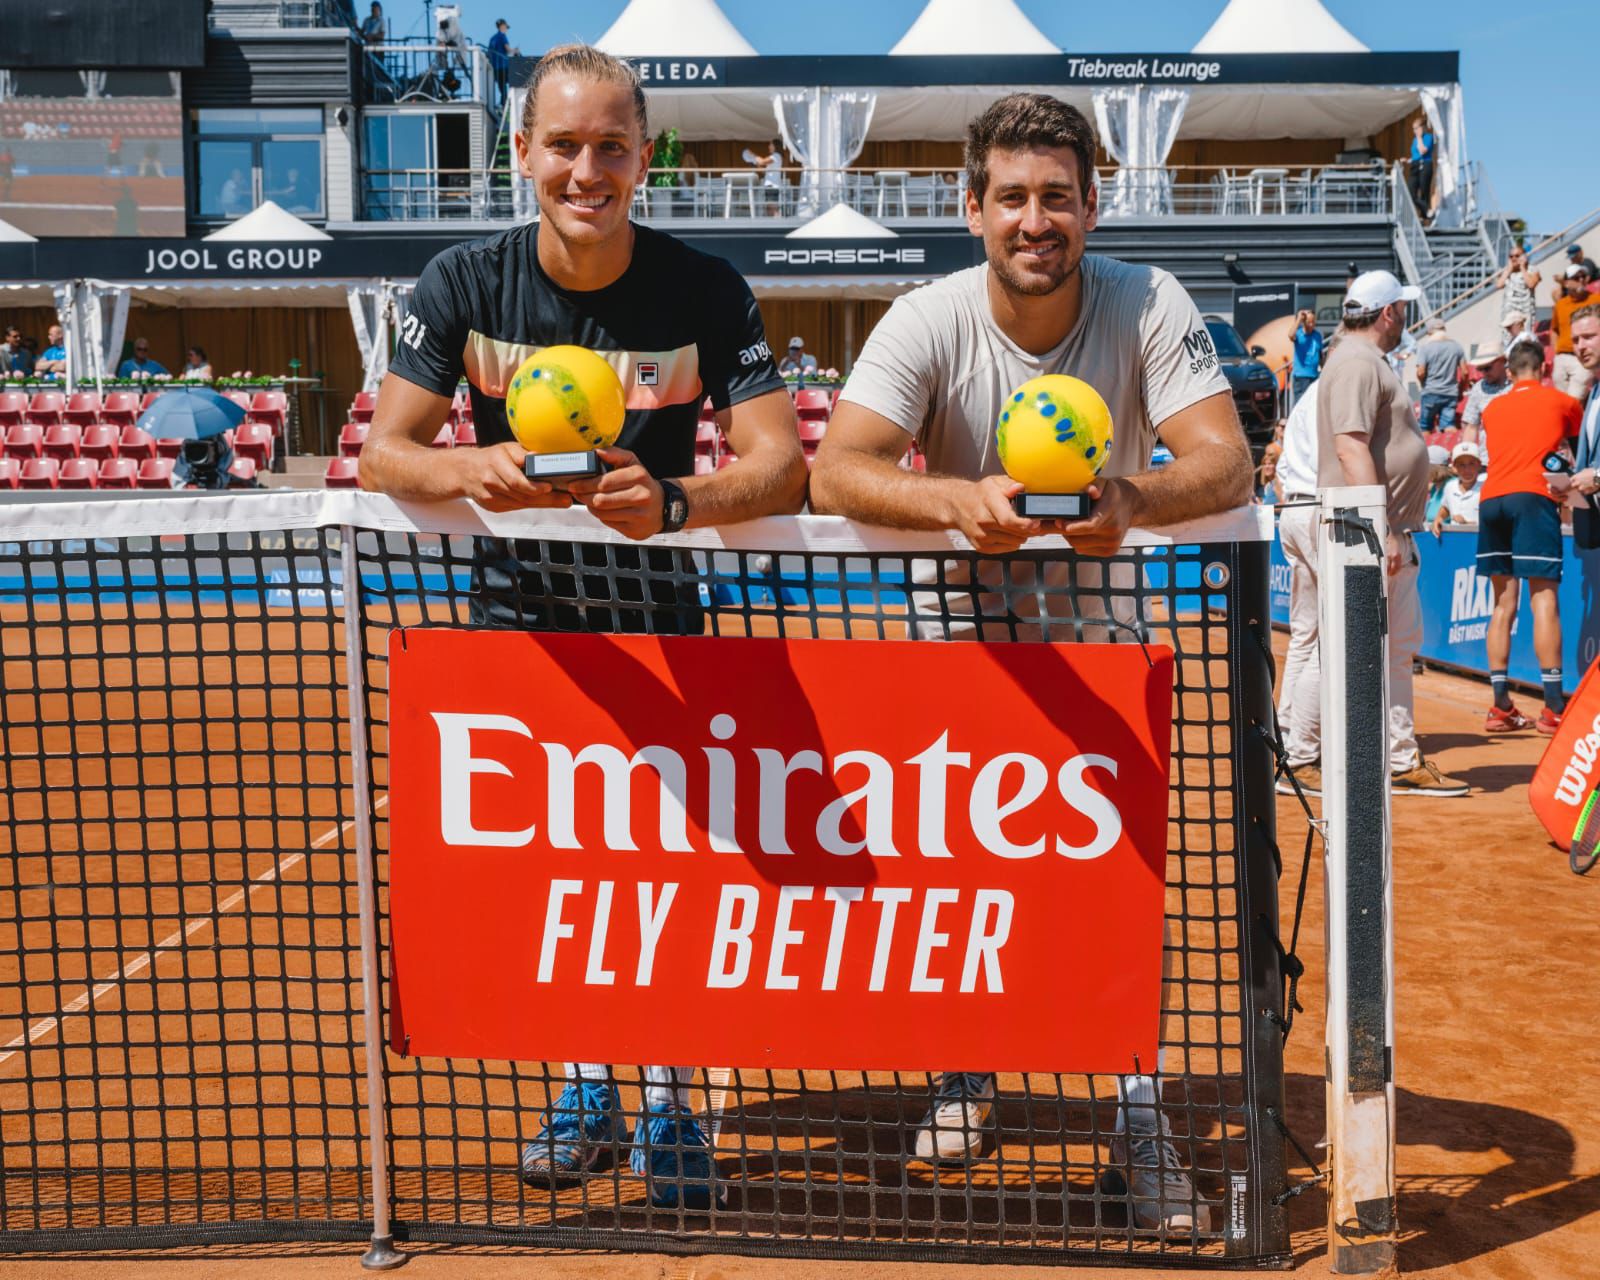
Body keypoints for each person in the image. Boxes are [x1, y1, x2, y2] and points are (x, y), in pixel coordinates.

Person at [357, 43, 805, 1211]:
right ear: (523, 153)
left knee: (668, 874)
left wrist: (676, 504)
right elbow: (382, 451)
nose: (587, 169)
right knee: (558, 877)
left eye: (612, 145)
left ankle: (667, 1100)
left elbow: (780, 468)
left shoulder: (706, 288)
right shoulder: (462, 281)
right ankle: (584, 1083)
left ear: (644, 157)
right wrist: (475, 464)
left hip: (663, 623)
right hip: (519, 631)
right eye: (565, 144)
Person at [809, 92, 1253, 1234]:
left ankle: (1135, 1108)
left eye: (1058, 195)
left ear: (1093, 205)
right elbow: (837, 471)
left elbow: (1226, 462)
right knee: (954, 877)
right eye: (1012, 197)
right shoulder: (924, 314)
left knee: (1117, 888)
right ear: (973, 209)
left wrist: (1130, 498)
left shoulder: (1148, 298)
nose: (1035, 219)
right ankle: (965, 1071)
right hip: (957, 651)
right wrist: (957, 500)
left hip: (1099, 648)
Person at [1317, 269, 1466, 795]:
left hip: (1384, 532)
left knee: (1395, 648)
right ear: (1388, 314)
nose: (1405, 317)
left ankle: (1397, 757)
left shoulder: (1364, 361)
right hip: (1371, 534)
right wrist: (1379, 532)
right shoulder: (1358, 362)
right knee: (1369, 652)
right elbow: (1351, 445)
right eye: (1401, 308)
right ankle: (1369, 763)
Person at [1476, 340, 1583, 733]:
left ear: (1509, 372)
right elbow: (1574, 442)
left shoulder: (1491, 407)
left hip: (1491, 499)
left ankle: (1500, 705)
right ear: (1543, 368)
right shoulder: (1562, 401)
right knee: (1544, 601)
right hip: (1533, 497)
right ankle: (1553, 706)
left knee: (1502, 605)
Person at [1275, 374, 1325, 796]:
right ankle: (1302, 753)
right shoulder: (1342, 389)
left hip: (1293, 509)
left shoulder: (1307, 396)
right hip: (1319, 511)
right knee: (1330, 637)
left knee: (1305, 634)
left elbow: (1280, 472)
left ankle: (1288, 731)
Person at [1557, 307, 1600, 551]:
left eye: (1589, 336)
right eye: (1575, 340)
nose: (1580, 346)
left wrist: (1596, 478)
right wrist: (1571, 485)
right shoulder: (1593, 393)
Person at [1414, 316, 1465, 434]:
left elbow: (1420, 372)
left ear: (1430, 332)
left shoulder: (1426, 348)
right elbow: (1465, 372)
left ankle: (1426, 451)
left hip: (1430, 391)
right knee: (1449, 426)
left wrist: (1423, 383)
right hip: (1450, 393)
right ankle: (1450, 448)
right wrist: (1461, 388)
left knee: (1425, 428)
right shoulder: (1456, 346)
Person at [1553, 267, 1597, 400]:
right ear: (1566, 283)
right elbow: (1554, 330)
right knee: (1563, 400)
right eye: (1577, 278)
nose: (1582, 280)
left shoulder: (1596, 300)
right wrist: (1556, 352)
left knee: (1574, 399)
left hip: (1585, 358)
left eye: (1584, 276)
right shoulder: (1560, 305)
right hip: (1562, 357)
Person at [1459, 343, 1509, 448]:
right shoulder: (1478, 388)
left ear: (1502, 361)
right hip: (1488, 457)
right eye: (1480, 369)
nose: (1484, 373)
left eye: (1487, 368)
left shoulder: (1516, 384)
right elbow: (1471, 427)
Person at [1430, 441, 1484, 535]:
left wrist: (1467, 524)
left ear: (1479, 465)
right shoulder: (1450, 487)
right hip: (1454, 540)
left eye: (1471, 464)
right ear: (1454, 467)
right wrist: (1439, 519)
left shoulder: (1486, 488)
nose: (1467, 470)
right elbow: (1446, 507)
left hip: (1479, 540)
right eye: (1461, 465)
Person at [1497, 245, 1540, 342]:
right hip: (1509, 312)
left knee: (1525, 340)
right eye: (1511, 256)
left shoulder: (1532, 270)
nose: (1514, 259)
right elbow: (1499, 285)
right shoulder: (1507, 271)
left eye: (1517, 256)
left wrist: (1523, 268)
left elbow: (1531, 284)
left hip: (1525, 312)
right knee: (1508, 340)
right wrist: (1508, 270)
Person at [1290, 309, 1323, 401]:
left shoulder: (1317, 335)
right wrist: (1299, 319)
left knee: (1311, 405)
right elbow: (1290, 335)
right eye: (1309, 322)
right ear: (1304, 322)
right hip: (1301, 377)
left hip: (1314, 376)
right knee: (1300, 405)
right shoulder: (1299, 333)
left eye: (1313, 322)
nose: (1312, 325)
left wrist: (1323, 370)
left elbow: (1320, 355)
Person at [1407, 117, 1434, 221]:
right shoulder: (1414, 140)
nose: (1415, 131)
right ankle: (1427, 211)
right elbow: (1416, 155)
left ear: (1422, 127)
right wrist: (1408, 160)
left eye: (1416, 128)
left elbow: (1423, 151)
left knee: (1424, 191)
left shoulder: (1428, 137)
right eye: (1413, 129)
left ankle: (1424, 217)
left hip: (1425, 165)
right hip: (1415, 165)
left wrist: (1419, 138)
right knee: (1411, 192)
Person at [487, 19, 516, 109]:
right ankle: (506, 104)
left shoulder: (492, 38)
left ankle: (503, 103)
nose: (506, 29)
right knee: (514, 82)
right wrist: (515, 51)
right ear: (502, 26)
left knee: (502, 87)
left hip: (495, 67)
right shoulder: (502, 36)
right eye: (506, 27)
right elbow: (508, 49)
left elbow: (489, 53)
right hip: (503, 65)